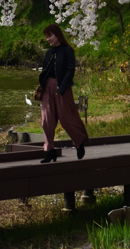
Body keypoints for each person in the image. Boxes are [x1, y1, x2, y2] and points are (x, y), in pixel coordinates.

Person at [36, 22, 90, 163]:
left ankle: (79, 142)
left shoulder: (67, 50)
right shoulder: (48, 53)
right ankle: (50, 151)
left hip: (62, 88)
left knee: (67, 119)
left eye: (50, 36)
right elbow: (45, 72)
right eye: (46, 37)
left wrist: (62, 88)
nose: (48, 39)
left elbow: (70, 70)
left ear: (58, 35)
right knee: (46, 120)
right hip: (47, 88)